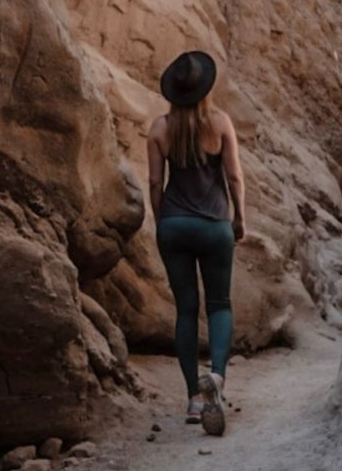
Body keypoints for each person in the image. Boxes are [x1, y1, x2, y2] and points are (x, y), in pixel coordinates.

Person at [147, 49, 246, 436]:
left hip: (175, 225)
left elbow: (155, 183)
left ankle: (193, 399)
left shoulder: (158, 129)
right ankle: (217, 379)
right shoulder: (220, 123)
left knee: (186, 311)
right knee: (219, 304)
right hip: (214, 226)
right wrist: (239, 218)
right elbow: (235, 177)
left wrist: (162, 222)